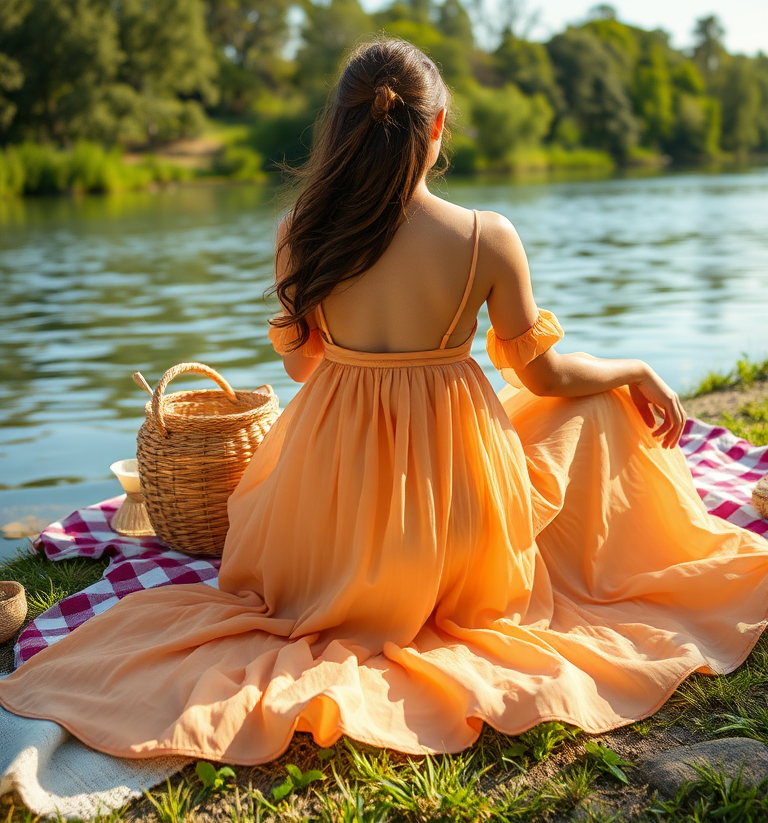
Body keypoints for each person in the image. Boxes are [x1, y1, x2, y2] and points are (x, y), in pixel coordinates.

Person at [0, 37, 767, 763]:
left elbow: (305, 372)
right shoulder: (484, 235)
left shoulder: (300, 231)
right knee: (593, 405)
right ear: (437, 126)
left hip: (322, 525)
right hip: (458, 513)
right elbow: (548, 380)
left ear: (339, 129)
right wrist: (630, 368)